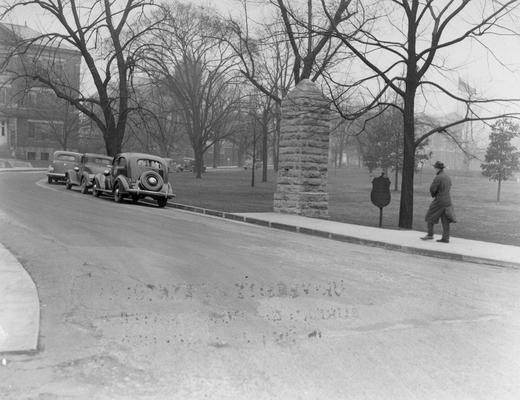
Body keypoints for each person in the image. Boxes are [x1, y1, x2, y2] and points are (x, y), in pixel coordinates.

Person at [421, 161, 456, 243]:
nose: (434, 169)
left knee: (429, 216)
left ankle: (430, 234)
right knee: (445, 219)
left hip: (439, 201)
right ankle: (446, 238)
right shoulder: (447, 177)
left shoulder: (438, 177)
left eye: (435, 168)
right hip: (447, 201)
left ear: (437, 168)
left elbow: (432, 189)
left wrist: (434, 194)